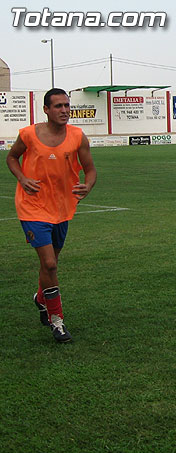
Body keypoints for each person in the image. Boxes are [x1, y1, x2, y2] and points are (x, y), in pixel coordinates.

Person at [6, 88, 97, 343]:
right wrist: (22, 178)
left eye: (67, 105)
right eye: (58, 106)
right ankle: (57, 320)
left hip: (62, 208)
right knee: (49, 264)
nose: (64, 110)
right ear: (46, 109)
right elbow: (11, 158)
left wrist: (88, 186)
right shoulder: (29, 134)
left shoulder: (77, 136)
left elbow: (90, 170)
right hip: (32, 206)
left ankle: (40, 297)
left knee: (51, 262)